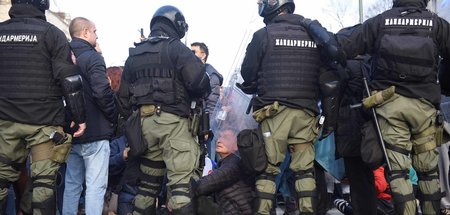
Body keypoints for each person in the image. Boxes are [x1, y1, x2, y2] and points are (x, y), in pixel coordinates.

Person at [336, 0, 450, 214]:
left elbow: (343, 46)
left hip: (390, 107)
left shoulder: (379, 22)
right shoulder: (437, 24)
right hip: (424, 106)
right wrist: (444, 83)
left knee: (399, 173)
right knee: (428, 171)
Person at [237, 0, 341, 214]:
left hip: (274, 114)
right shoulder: (313, 33)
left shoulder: (264, 34)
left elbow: (247, 73)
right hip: (306, 113)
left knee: (267, 171)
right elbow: (327, 75)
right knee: (304, 172)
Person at [116, 5, 211, 214]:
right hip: (174, 125)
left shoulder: (135, 54)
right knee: (181, 187)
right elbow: (200, 83)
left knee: (147, 186)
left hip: (144, 127)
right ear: (177, 26)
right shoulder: (176, 48)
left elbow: (122, 99)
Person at [0, 0, 86, 214]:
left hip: (5, 122)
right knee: (44, 183)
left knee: (1, 180)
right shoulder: (52, 34)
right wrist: (79, 116)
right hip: (44, 123)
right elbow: (70, 81)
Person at [63, 17, 117, 215]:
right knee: (95, 187)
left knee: (72, 184)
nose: (97, 35)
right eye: (95, 31)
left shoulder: (61, 56)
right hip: (96, 131)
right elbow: (102, 92)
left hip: (71, 132)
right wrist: (112, 116)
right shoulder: (92, 57)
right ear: (85, 32)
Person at [192, 128, 254, 215]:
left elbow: (204, 185)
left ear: (236, 145)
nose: (219, 140)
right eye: (219, 137)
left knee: (193, 200)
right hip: (228, 211)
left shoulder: (235, 163)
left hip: (237, 212)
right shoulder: (224, 163)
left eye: (226, 138)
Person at [191, 42, 224, 113]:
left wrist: (205, 121)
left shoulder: (211, 75)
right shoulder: (189, 71)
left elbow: (212, 103)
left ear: (203, 55)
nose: (190, 54)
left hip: (197, 117)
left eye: (194, 52)